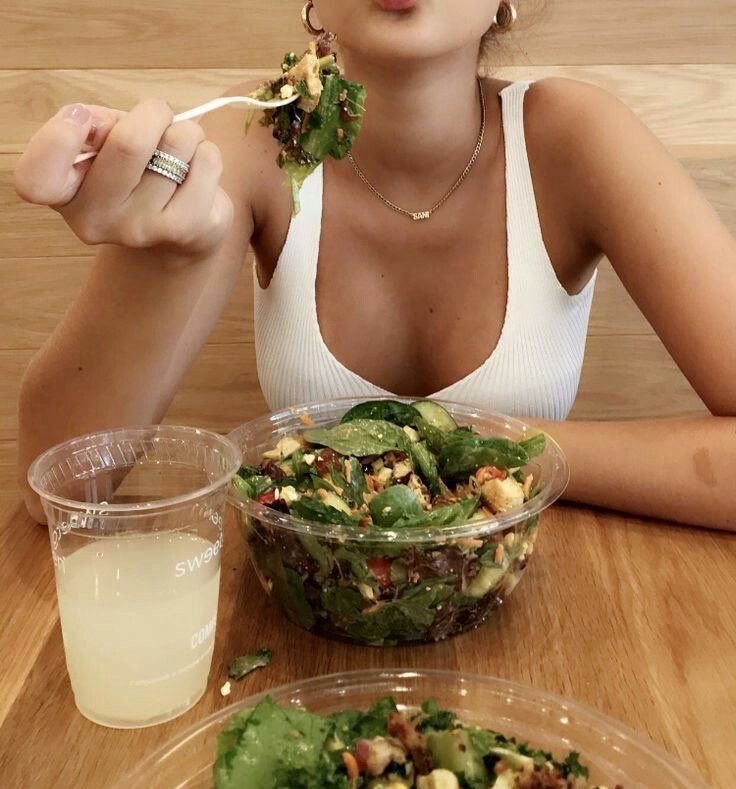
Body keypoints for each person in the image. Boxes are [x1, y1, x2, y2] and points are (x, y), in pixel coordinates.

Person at [13, 0, 736, 529]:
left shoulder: (575, 138)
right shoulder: (248, 148)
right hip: (314, 603)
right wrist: (167, 265)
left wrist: (477, 446)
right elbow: (60, 488)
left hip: (534, 601)